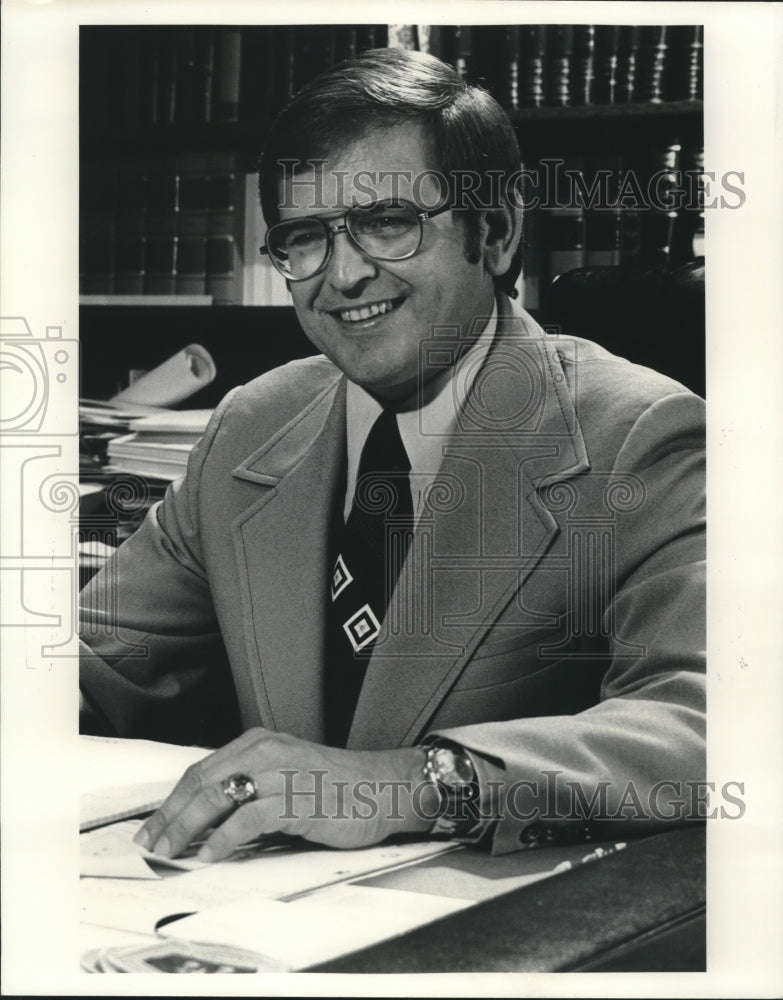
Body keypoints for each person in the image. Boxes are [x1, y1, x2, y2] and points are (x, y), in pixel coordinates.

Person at [79, 48, 705, 861]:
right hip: (237, 919)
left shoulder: (640, 434)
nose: (341, 275)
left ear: (498, 231)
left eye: (386, 223)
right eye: (303, 238)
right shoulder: (252, 422)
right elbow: (98, 658)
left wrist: (415, 781)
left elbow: (707, 720)